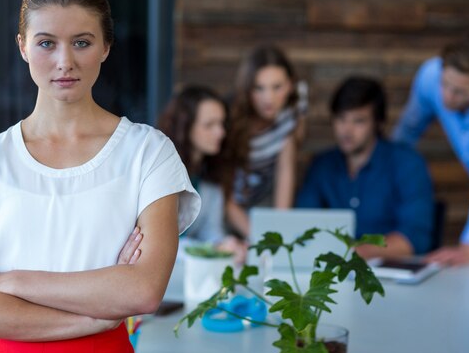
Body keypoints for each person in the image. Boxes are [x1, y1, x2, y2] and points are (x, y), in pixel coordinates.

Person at [0, 0, 200, 353]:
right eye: (46, 43)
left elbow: (142, 291)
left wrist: (9, 282)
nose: (65, 61)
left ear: (106, 47)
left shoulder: (148, 153)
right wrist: (93, 317)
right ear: (23, 46)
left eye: (81, 42)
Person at [297, 76, 434, 259]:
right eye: (341, 119)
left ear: (378, 123)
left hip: (391, 274)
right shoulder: (322, 166)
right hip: (334, 275)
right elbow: (303, 226)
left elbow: (415, 238)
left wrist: (357, 253)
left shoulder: (408, 164)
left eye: (358, 121)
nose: (347, 130)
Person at [393, 37, 469, 265]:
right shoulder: (430, 76)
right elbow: (407, 131)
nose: (447, 97)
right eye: (445, 84)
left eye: (459, 92)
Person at [158, 86, 247, 263]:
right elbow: (158, 242)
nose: (220, 132)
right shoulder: (159, 172)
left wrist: (228, 245)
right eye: (209, 125)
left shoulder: (211, 176)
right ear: (185, 127)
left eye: (222, 124)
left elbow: (211, 232)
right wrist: (213, 249)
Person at [224, 45, 304, 238]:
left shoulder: (294, 111)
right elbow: (224, 191)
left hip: (264, 202)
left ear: (291, 85)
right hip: (228, 211)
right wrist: (259, 239)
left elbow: (286, 169)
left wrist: (279, 232)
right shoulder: (230, 118)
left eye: (277, 87)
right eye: (259, 88)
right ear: (246, 89)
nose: (269, 98)